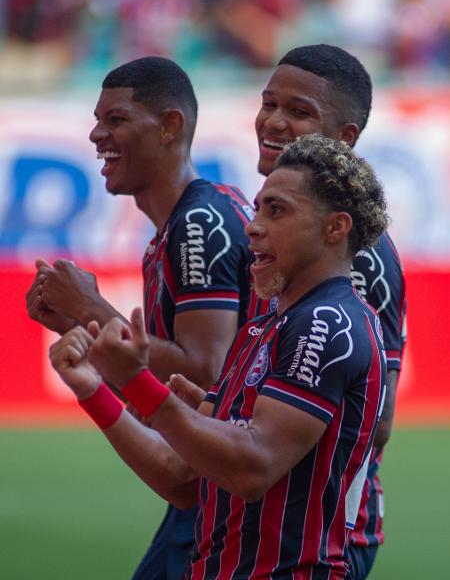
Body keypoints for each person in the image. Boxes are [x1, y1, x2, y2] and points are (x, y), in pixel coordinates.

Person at [49, 133, 388, 579]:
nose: (253, 225)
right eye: (260, 207)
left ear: (335, 228)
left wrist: (137, 382)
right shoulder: (264, 327)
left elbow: (252, 466)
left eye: (277, 210)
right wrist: (94, 389)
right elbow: (181, 478)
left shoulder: (325, 321)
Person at [25, 56, 255, 580]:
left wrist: (89, 307)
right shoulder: (187, 220)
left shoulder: (197, 222)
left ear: (170, 126)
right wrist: (79, 329)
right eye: (97, 119)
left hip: (224, 502)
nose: (95, 133)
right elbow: (166, 389)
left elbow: (205, 374)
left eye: (116, 120)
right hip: (211, 488)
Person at [250, 44, 407, 579]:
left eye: (298, 112)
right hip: (257, 521)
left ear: (345, 138)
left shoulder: (357, 255)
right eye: (269, 102)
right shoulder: (282, 235)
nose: (273, 120)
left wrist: (252, 441)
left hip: (322, 539)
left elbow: (377, 421)